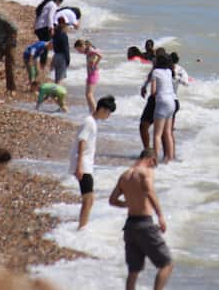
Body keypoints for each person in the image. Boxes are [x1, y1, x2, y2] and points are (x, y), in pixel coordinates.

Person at [109, 148, 173, 290]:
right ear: (152, 160)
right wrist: (160, 215)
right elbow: (149, 191)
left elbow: (112, 200)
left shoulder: (125, 175)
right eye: (154, 165)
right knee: (166, 264)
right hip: (145, 224)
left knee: (133, 271)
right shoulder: (146, 172)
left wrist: (127, 203)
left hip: (130, 226)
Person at [70, 95, 116, 230]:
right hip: (83, 165)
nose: (108, 116)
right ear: (102, 109)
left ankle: (82, 226)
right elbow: (81, 142)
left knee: (89, 199)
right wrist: (79, 166)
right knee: (88, 199)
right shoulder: (89, 122)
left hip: (86, 164)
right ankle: (81, 228)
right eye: (108, 112)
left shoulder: (92, 122)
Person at [148, 54, 176, 164]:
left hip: (162, 102)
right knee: (168, 132)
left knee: (157, 134)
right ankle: (169, 158)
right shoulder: (169, 71)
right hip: (172, 101)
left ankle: (155, 160)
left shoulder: (155, 72)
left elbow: (153, 91)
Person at [75, 39, 102, 113]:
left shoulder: (90, 50)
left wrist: (95, 64)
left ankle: (95, 112)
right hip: (91, 74)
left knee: (89, 95)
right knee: (88, 95)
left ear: (83, 46)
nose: (79, 52)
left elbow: (100, 55)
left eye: (78, 50)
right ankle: (92, 111)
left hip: (93, 74)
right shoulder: (88, 51)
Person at [47, 17, 71, 85]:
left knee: (57, 78)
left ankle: (55, 93)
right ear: (64, 25)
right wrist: (68, 60)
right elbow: (66, 49)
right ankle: (56, 94)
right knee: (60, 79)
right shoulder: (64, 35)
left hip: (56, 56)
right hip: (62, 57)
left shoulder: (56, 34)